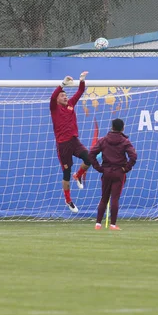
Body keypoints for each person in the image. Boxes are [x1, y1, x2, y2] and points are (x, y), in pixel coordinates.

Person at [49, 71, 92, 213]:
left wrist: (82, 79)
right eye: (63, 95)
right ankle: (68, 200)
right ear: (57, 99)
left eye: (66, 95)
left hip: (74, 141)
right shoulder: (54, 108)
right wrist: (63, 83)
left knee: (89, 158)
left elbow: (80, 90)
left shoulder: (71, 104)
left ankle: (78, 175)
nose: (66, 97)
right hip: (63, 146)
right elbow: (53, 96)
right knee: (66, 173)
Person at [88, 118, 137, 230]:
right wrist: (126, 168)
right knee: (114, 198)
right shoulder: (125, 141)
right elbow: (133, 156)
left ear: (112, 127)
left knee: (104, 198)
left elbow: (91, 153)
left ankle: (98, 224)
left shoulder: (103, 140)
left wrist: (98, 168)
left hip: (106, 171)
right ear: (122, 128)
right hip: (119, 172)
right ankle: (113, 225)